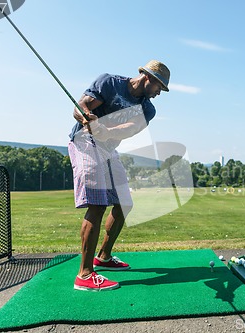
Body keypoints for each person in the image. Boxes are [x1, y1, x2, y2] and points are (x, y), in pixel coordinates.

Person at [68, 60, 170, 291]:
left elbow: (130, 128)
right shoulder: (109, 82)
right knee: (97, 202)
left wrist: (104, 129)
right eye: (159, 88)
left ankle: (103, 256)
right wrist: (85, 116)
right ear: (149, 78)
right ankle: (84, 274)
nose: (158, 94)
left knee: (124, 203)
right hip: (84, 142)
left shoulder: (148, 109)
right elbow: (80, 106)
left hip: (107, 148)